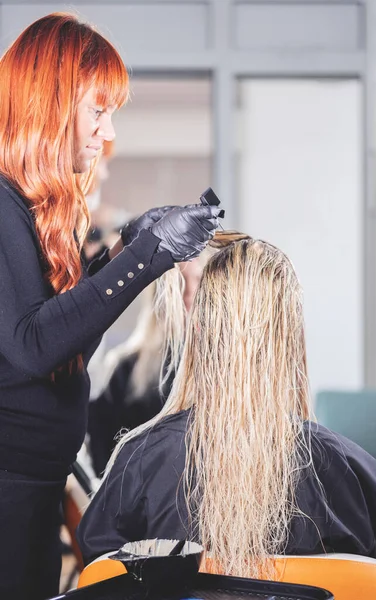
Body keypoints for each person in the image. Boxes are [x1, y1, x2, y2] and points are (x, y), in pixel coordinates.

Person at [0, 13, 222, 600]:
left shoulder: (30, 212)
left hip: (34, 488)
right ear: (51, 106)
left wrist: (126, 245)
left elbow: (66, 338)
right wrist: (145, 257)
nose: (106, 132)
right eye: (98, 111)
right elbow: (33, 344)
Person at [77, 233, 376, 579]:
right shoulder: (353, 473)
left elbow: (100, 575)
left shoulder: (141, 462)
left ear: (199, 331)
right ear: (291, 336)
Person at [88, 258, 204, 477]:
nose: (189, 296)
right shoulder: (125, 369)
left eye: (197, 281)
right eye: (179, 283)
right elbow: (103, 460)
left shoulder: (223, 370)